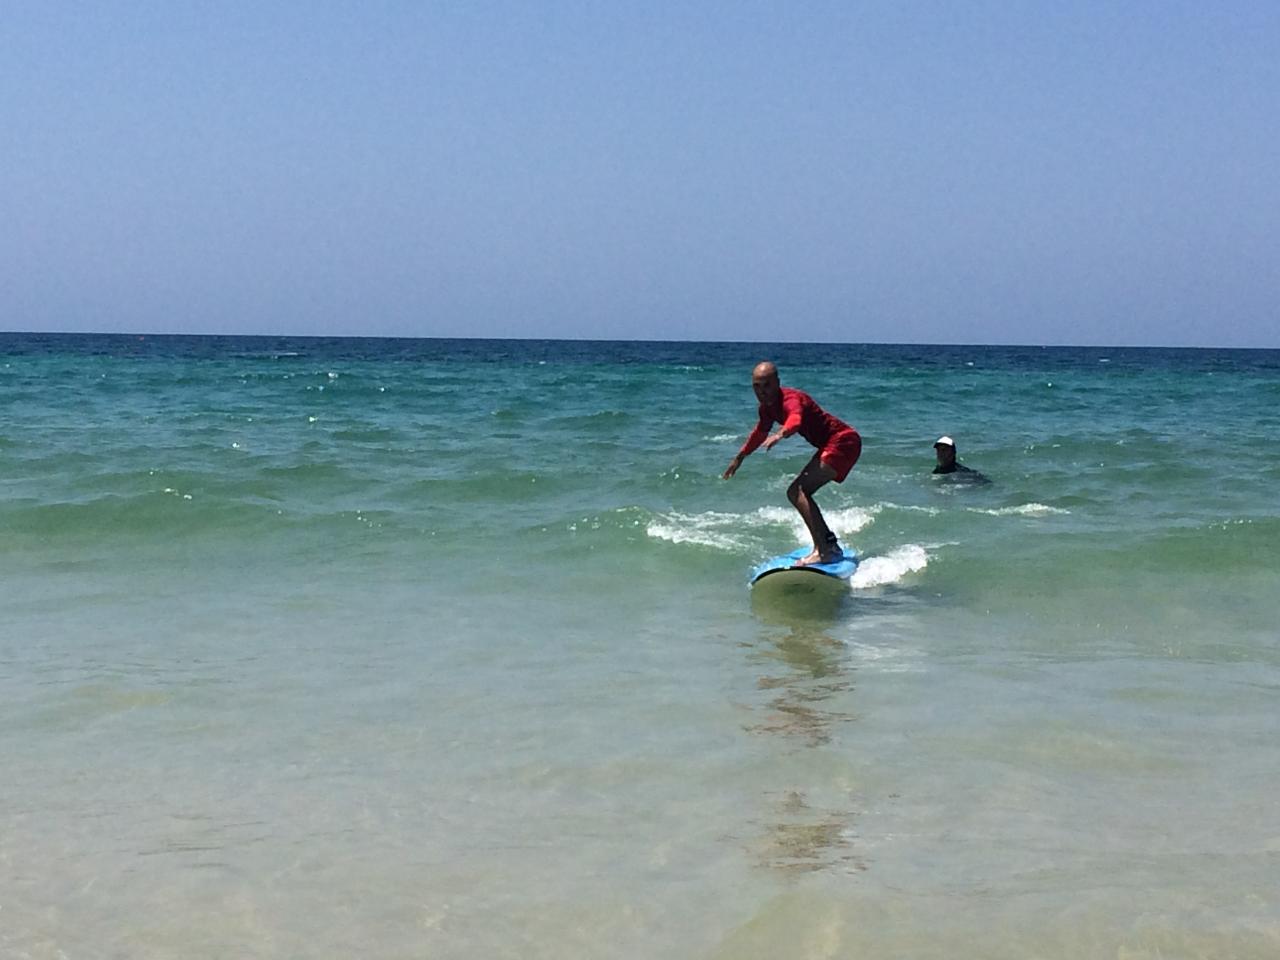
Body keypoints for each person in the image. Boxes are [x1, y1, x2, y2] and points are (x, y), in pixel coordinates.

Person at [722, 362, 862, 565]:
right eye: (757, 387)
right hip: (833, 444)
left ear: (777, 383)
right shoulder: (767, 409)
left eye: (767, 385)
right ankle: (829, 545)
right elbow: (759, 433)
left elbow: (795, 420)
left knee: (797, 491)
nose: (762, 392)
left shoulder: (790, 399)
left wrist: (780, 434)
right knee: (797, 491)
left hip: (843, 441)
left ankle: (824, 551)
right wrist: (740, 457)